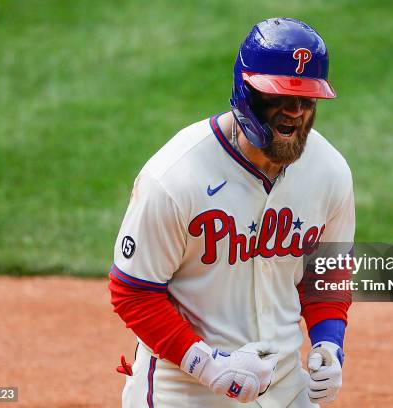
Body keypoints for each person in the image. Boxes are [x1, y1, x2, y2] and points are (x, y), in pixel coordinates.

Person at [109, 17, 355, 408]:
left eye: (306, 99)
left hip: (286, 387)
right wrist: (210, 367)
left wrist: (329, 343)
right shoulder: (176, 176)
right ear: (245, 93)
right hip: (186, 390)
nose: (294, 112)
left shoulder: (329, 171)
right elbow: (134, 292)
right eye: (278, 97)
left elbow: (326, 274)